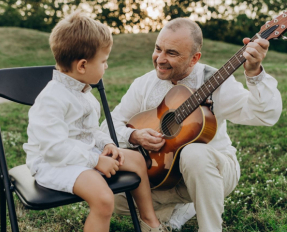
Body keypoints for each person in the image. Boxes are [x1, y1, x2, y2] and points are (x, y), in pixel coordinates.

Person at [100, 18, 282, 231]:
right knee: (109, 193)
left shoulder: (214, 80)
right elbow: (108, 127)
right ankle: (181, 211)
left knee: (193, 154)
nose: (160, 59)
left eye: (172, 53)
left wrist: (254, 72)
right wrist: (134, 136)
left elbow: (265, 115)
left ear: (195, 58)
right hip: (162, 178)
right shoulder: (144, 83)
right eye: (158, 49)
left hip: (213, 171)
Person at [23, 11, 170, 232]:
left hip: (84, 153)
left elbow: (91, 130)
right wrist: (95, 161)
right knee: (103, 199)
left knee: (138, 160)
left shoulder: (84, 93)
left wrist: (108, 145)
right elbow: (54, 149)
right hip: (52, 163)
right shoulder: (51, 99)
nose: (106, 66)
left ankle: (150, 222)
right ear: (82, 66)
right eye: (103, 61)